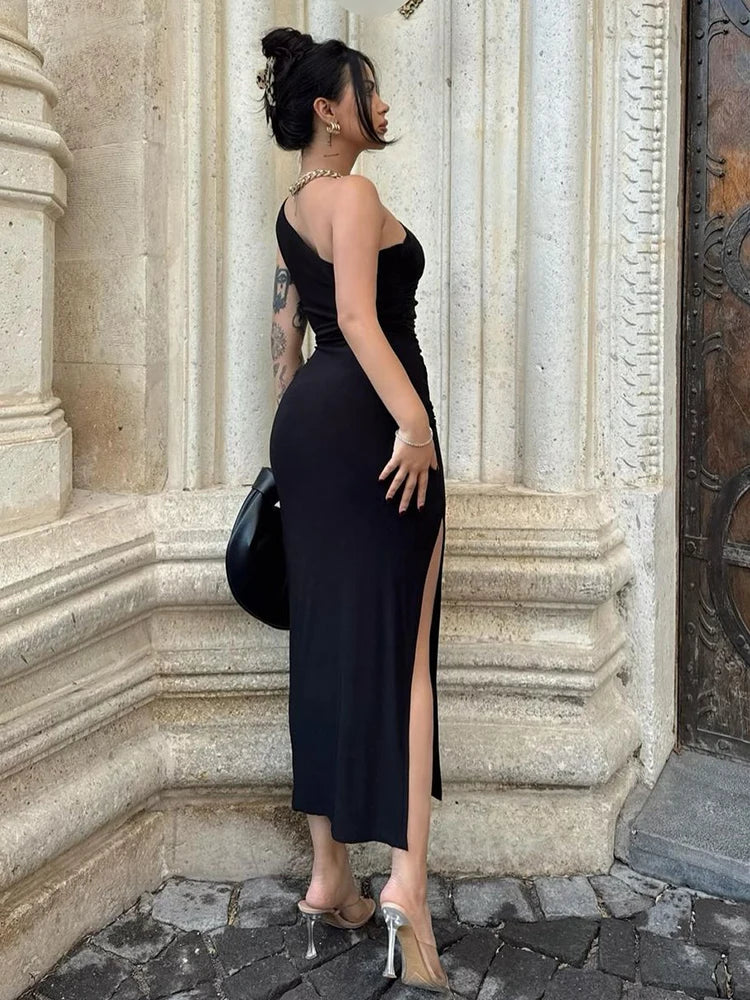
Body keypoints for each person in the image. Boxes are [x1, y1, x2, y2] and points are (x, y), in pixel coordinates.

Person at [260, 26, 450, 995]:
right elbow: (366, 324)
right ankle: (407, 885)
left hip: (308, 430)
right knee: (406, 656)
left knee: (323, 642)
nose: (382, 104)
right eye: (367, 89)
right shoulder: (357, 194)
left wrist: (288, 448)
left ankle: (329, 873)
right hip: (377, 422)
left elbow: (286, 343)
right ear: (329, 111)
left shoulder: (291, 208)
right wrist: (413, 424)